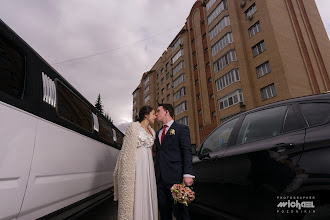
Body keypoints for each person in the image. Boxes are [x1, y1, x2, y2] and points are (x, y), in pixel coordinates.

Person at [113, 105, 158, 220]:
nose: (155, 116)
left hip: (148, 165)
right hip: (136, 164)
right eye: (153, 114)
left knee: (147, 189)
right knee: (136, 189)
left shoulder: (153, 131)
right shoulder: (133, 127)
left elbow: (152, 151)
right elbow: (126, 150)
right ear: (146, 115)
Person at [154, 103, 195, 220]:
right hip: (160, 180)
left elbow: (187, 152)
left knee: (181, 213)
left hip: (176, 178)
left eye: (158, 111)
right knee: (164, 212)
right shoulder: (158, 133)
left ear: (166, 112)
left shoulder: (181, 129)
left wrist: (188, 174)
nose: (156, 114)